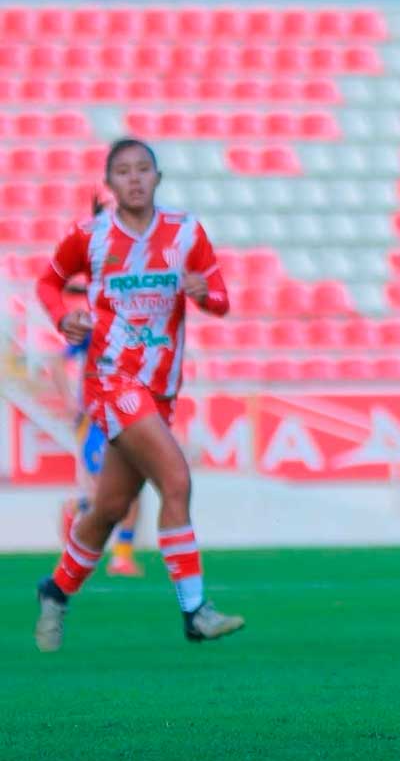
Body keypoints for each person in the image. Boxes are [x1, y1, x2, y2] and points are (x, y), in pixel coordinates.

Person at [33, 138, 244, 651]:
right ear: (110, 183)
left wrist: (204, 295)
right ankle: (195, 610)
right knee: (176, 478)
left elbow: (220, 297)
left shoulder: (185, 232)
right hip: (111, 380)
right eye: (123, 171)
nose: (133, 179)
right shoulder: (90, 236)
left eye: (142, 169)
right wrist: (65, 318)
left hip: (160, 390)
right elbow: (47, 283)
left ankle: (55, 592)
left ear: (157, 177)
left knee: (108, 508)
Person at [52, 202, 143, 577]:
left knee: (135, 482)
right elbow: (61, 359)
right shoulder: (94, 322)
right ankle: (77, 521)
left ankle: (122, 555)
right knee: (102, 488)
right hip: (96, 414)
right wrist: (71, 403)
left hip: (127, 409)